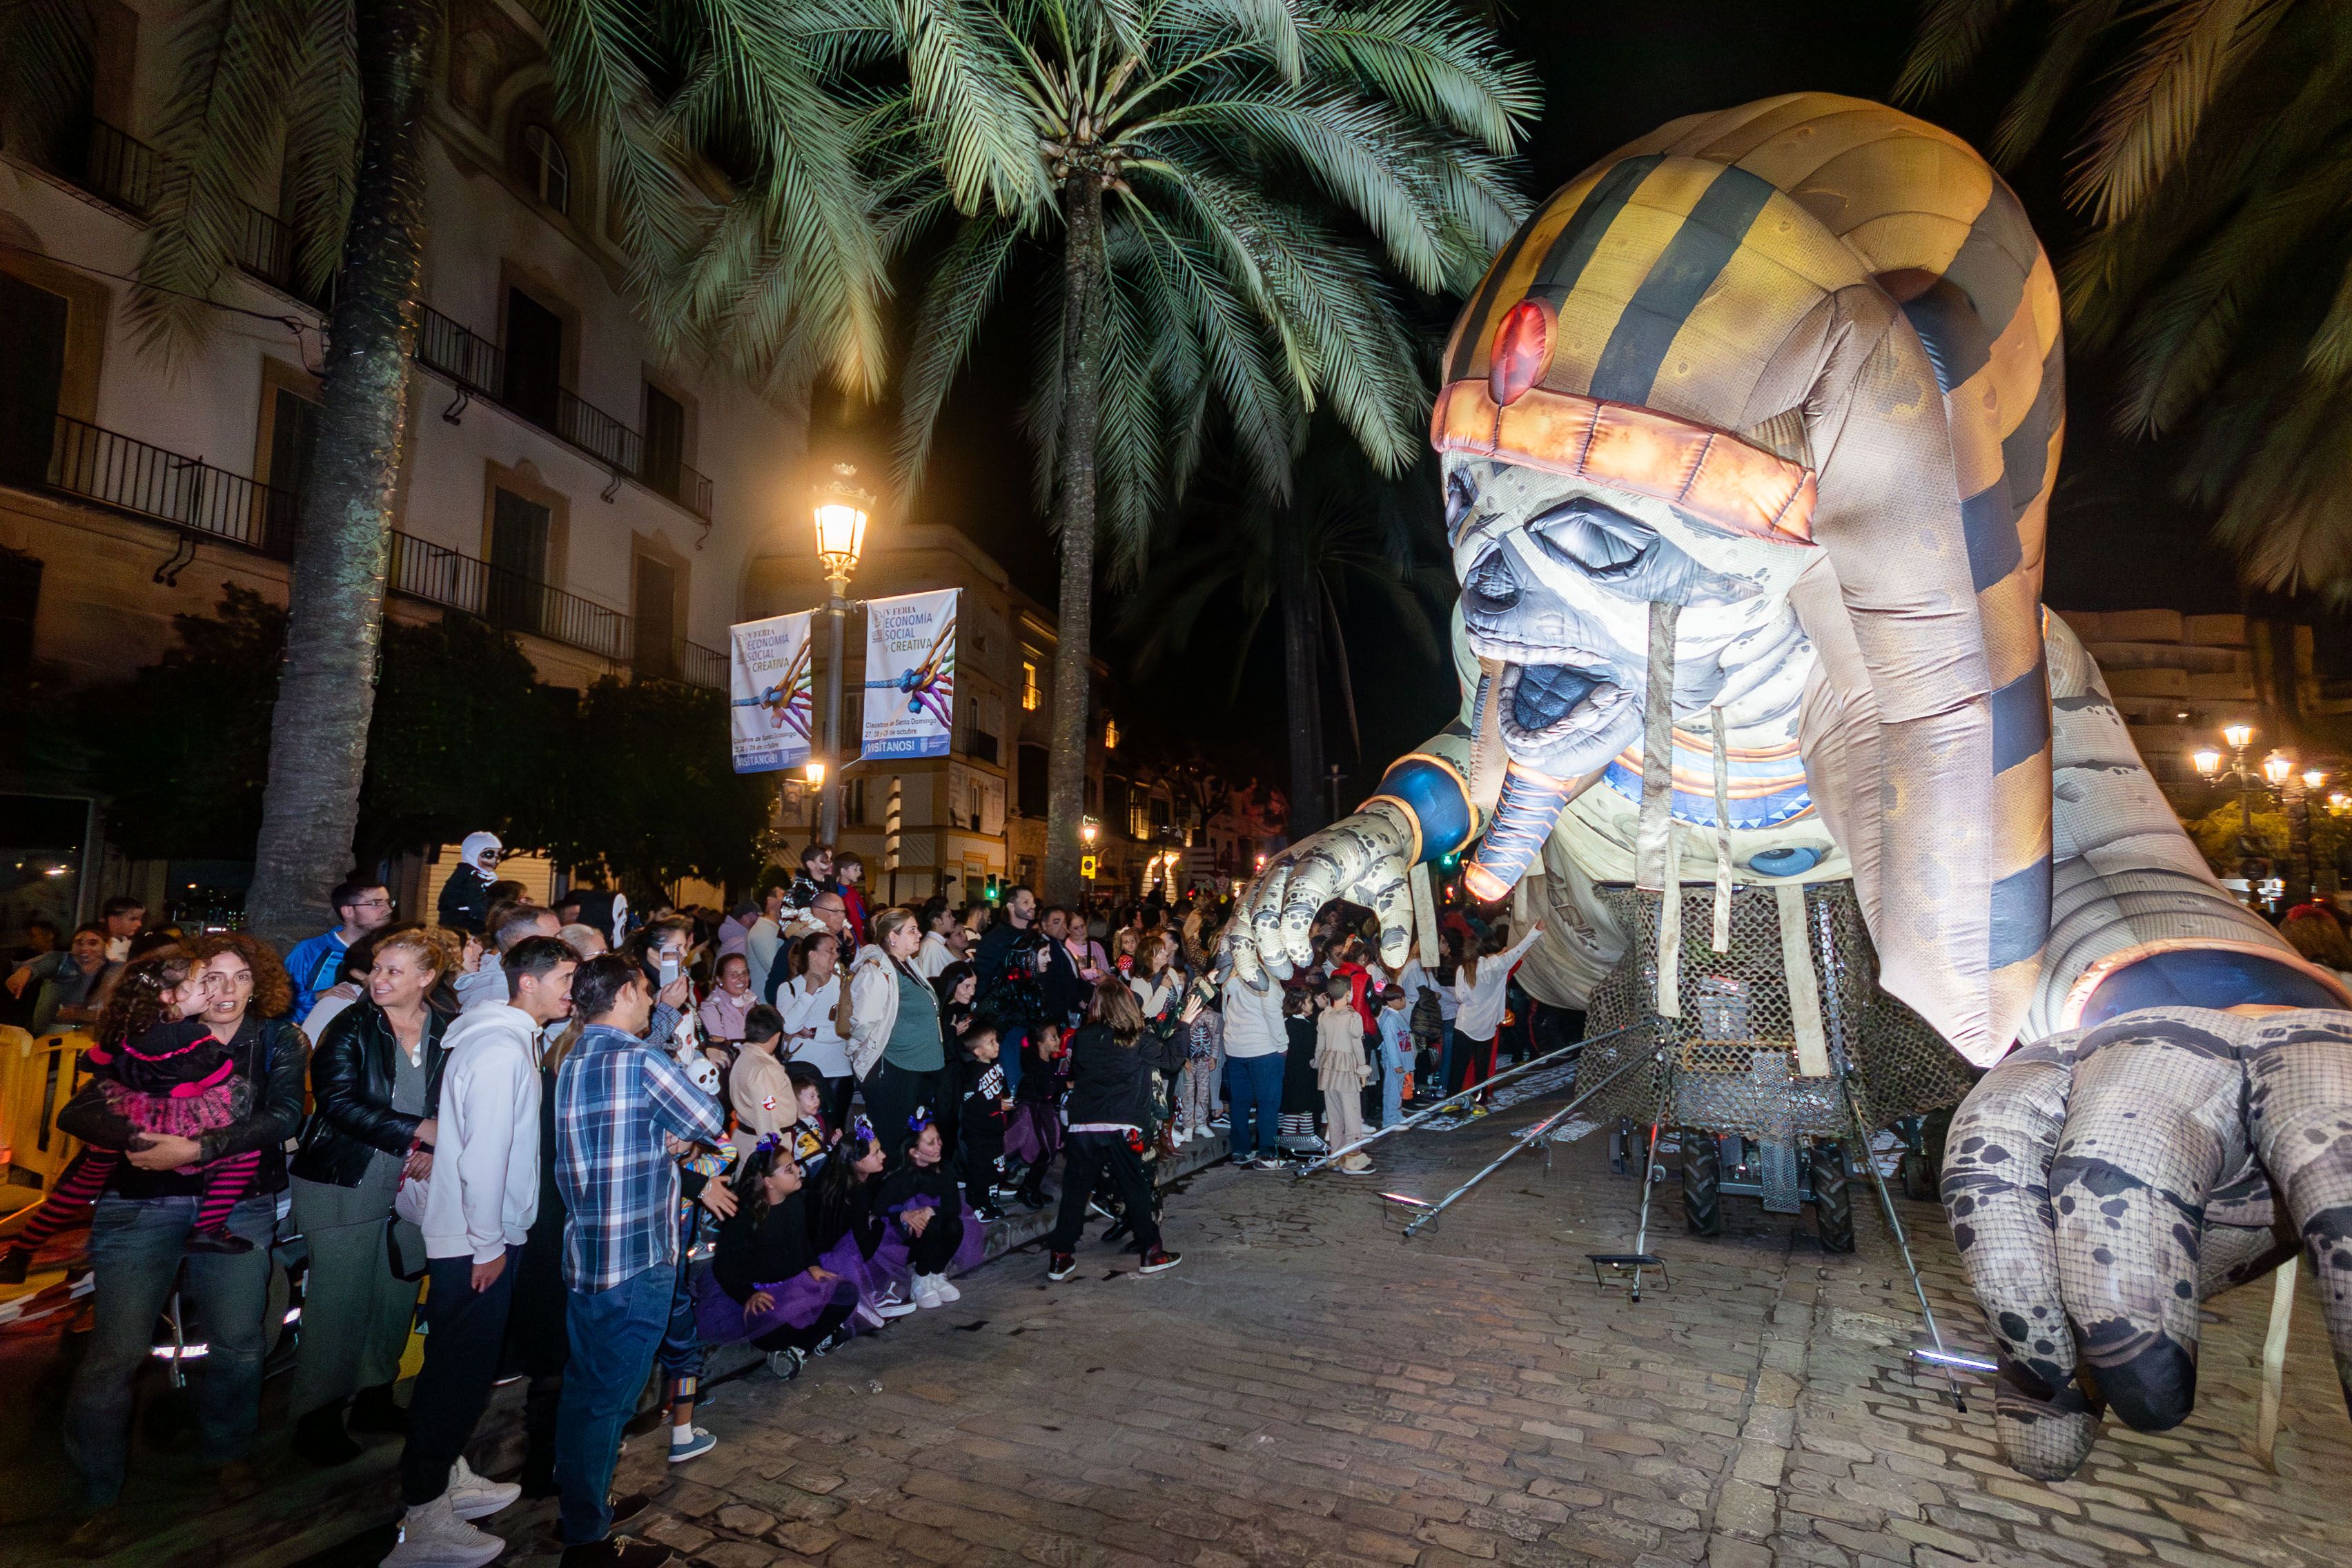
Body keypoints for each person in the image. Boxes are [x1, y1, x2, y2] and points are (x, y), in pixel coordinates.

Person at [55, 936, 305, 1553]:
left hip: (239, 1205)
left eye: (240, 977)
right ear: (185, 987)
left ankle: (225, 1453)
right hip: (140, 1205)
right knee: (114, 1354)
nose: (225, 990)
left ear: (258, 985)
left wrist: (195, 1147)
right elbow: (79, 1111)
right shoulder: (144, 1033)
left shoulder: (278, 1040)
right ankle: (96, 1493)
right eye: (211, 977)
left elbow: (284, 1117)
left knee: (240, 1341)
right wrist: (140, 1136)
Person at [384, 936, 578, 1568]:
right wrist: (488, 1245)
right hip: (476, 1239)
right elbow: (485, 1158)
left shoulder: (507, 1038)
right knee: (457, 1375)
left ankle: (444, 1477)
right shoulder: (500, 1050)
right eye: (565, 977)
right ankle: (424, 1517)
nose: (572, 989)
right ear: (528, 983)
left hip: (481, 1234)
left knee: (461, 1368)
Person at [551, 952, 727, 1565]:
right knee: (611, 1399)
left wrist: (665, 1130)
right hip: (636, 1257)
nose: (653, 1001)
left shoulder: (572, 1059)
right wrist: (675, 1128)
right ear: (625, 992)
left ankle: (581, 1504)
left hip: (587, 1254)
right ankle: (588, 1540)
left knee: (586, 1389)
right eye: (647, 992)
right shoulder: (641, 1059)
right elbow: (708, 1115)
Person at [287, 926, 458, 1464]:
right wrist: (417, 1132)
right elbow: (336, 1102)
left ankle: (375, 1397)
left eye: (392, 971)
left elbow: (454, 1100)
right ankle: (314, 1416)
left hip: (412, 1183)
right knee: (338, 1302)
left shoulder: (446, 1029)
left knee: (396, 1296)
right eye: (377, 968)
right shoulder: (350, 1025)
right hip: (344, 1179)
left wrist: (438, 1144)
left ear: (427, 979)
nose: (377, 979)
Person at [1, 959, 264, 1282]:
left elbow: (92, 1061)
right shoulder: (194, 1034)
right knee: (245, 1155)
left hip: (125, 1115)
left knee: (80, 1184)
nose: (210, 991)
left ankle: (21, 1252)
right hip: (177, 1122)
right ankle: (208, 1227)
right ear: (170, 996)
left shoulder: (127, 1030)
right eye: (201, 984)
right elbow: (220, 1074)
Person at [1042, 979, 1194, 1281]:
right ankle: (1151, 1252)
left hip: (1084, 1126)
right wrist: (1184, 1025)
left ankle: (1060, 1256)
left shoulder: (1083, 1038)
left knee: (1075, 1193)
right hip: (1125, 1126)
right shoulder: (1137, 1038)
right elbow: (1173, 1061)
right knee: (1136, 1189)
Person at [698, 1141, 856, 1380]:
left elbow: (803, 1241)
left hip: (796, 1283)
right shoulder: (744, 1215)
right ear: (769, 1182)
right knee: (768, 1329)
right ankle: (798, 1344)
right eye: (789, 1169)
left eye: (794, 1165)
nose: (798, 1171)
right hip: (766, 1293)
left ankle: (798, 1349)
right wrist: (748, 1294)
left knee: (847, 1293)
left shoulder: (794, 1202)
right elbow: (724, 1265)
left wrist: (812, 1265)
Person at [845, 908, 943, 1160]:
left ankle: (907, 1192)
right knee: (893, 1138)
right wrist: (860, 1055)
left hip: (912, 1067)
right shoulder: (876, 971)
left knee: (909, 1136)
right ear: (892, 937)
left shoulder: (906, 964)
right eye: (912, 930)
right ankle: (888, 1193)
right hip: (891, 1070)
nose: (919, 934)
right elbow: (863, 1023)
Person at [875, 1112, 979, 1309]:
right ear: (915, 1152)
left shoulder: (944, 1170)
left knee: (954, 1224)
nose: (939, 1145)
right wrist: (904, 1215)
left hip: (933, 1230)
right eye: (931, 1143)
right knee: (931, 1225)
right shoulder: (901, 1177)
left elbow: (953, 1206)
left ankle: (936, 1273)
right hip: (903, 1239)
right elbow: (879, 1208)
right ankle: (920, 1278)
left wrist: (930, 1210)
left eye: (939, 1139)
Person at [1449, 921, 1543, 1112]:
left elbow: (1461, 997)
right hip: (1487, 1027)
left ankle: (1450, 1101)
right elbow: (1519, 950)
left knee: (1458, 1066)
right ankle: (1480, 1103)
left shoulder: (1463, 970)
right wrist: (1536, 931)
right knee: (1482, 1069)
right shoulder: (1497, 965)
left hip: (1465, 1025)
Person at [286, 879, 397, 1021]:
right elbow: (282, 1001)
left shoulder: (391, 950)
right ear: (348, 911)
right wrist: (318, 996)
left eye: (388, 902)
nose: (388, 910)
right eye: (375, 903)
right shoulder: (310, 950)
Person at [776, 930, 853, 1126]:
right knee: (804, 1130)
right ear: (812, 955)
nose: (835, 955)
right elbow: (789, 1025)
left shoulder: (844, 986)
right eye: (829, 950)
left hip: (838, 1070)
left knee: (835, 1128)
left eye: (836, 950)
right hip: (803, 1071)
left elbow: (847, 1028)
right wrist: (809, 993)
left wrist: (815, 1033)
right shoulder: (789, 988)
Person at [1220, 969, 1288, 1170]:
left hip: (1235, 1048)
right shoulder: (1268, 979)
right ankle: (1266, 1152)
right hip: (1263, 1049)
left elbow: (1225, 1011)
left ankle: (1240, 1149)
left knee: (1239, 1102)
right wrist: (1283, 1045)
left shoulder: (1232, 978)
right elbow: (1273, 1015)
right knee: (1268, 1102)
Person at [9, 921, 114, 1035]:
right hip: (49, 1038)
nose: (85, 948)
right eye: (79, 943)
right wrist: (25, 971)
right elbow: (38, 965)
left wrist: (80, 1014)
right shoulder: (61, 962)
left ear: (107, 945)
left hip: (91, 1041)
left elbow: (118, 1015)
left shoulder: (116, 971)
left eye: (93, 943)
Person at [1315, 977, 1375, 1175]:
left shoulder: (1324, 1016)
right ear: (1349, 993)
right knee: (1352, 1112)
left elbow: (1320, 1045)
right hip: (1346, 1067)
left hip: (1329, 1068)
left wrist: (1318, 1063)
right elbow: (1358, 1046)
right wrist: (1362, 1068)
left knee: (1334, 1113)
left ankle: (1336, 1153)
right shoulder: (1352, 1017)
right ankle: (1352, 1158)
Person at [1003, 1021, 1066, 1209]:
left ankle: (1031, 1188)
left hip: (1042, 1110)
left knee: (1049, 1150)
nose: (1058, 1040)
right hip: (1032, 1112)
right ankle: (1027, 1189)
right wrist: (1067, 1084)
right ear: (1040, 1043)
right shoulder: (1034, 1064)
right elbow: (1047, 1088)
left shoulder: (1049, 1062)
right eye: (1053, 1037)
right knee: (1045, 1150)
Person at [952, 1021, 1010, 1222]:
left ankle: (989, 1199)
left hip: (995, 1129)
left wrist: (1007, 1102)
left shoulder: (996, 1067)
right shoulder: (971, 1074)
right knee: (979, 1169)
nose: (997, 1045)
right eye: (991, 1042)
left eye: (996, 1041)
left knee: (994, 1166)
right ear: (977, 1051)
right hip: (977, 1133)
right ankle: (976, 1203)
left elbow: (1002, 1091)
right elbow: (970, 1104)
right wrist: (997, 1107)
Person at [458, 904, 563, 1013]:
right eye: (554, 939)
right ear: (524, 943)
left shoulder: (515, 979)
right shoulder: (497, 998)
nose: (563, 943)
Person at [729, 1003, 792, 1153]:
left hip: (748, 1137)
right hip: (765, 1143)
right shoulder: (764, 1069)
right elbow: (767, 1116)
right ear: (777, 1036)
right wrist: (775, 1152)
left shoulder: (743, 1057)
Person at [438, 834, 503, 934]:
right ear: (473, 853)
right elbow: (477, 904)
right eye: (489, 854)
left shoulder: (481, 874)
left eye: (498, 854)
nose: (496, 859)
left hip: (468, 921)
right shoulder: (470, 876)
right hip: (461, 923)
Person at [1375, 982, 1413, 1129]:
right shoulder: (1390, 1019)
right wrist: (1397, 1064)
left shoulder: (1393, 1016)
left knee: (1397, 1089)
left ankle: (1396, 1115)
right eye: (1401, 998)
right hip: (1394, 1060)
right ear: (1393, 1001)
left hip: (1400, 1058)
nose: (1404, 1001)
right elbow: (1391, 1043)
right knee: (1393, 1089)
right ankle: (1391, 1120)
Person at [698, 952, 756, 1044]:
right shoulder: (711, 1008)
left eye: (744, 973)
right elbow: (718, 1045)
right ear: (719, 979)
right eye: (734, 975)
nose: (741, 978)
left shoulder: (753, 1001)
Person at [743, 881, 787, 999]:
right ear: (771, 901)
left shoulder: (774, 928)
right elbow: (774, 969)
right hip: (764, 1004)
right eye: (784, 895)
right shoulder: (762, 930)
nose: (789, 901)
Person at [832, 852, 870, 948]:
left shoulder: (851, 891)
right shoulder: (840, 893)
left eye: (859, 869)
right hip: (851, 938)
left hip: (859, 936)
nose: (859, 872)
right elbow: (853, 918)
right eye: (855, 869)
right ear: (843, 871)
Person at [914, 898, 958, 979]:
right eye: (949, 916)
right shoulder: (932, 945)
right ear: (937, 920)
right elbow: (933, 980)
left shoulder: (935, 943)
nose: (954, 919)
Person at [98, 895, 145, 961]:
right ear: (113, 920)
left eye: (140, 920)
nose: (139, 924)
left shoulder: (134, 945)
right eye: (133, 919)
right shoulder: (99, 947)